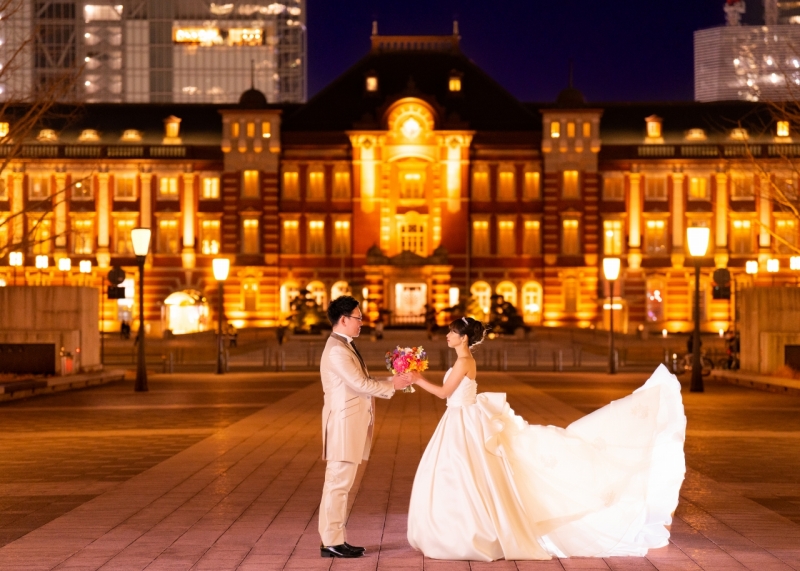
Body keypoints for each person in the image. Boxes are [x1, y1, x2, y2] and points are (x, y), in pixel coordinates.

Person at [403, 316, 686, 561]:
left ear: (463, 338)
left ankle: (467, 533)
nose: (447, 335)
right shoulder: (462, 360)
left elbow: (444, 393)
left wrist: (417, 379)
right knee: (462, 475)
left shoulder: (465, 361)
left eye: (452, 332)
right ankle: (461, 530)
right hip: (458, 420)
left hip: (462, 421)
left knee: (464, 474)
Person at [318, 295, 413, 559]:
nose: (361, 322)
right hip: (343, 425)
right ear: (344, 319)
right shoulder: (337, 350)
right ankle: (331, 542)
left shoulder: (344, 346)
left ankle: (335, 539)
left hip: (349, 424)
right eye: (358, 318)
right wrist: (392, 385)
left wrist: (391, 380)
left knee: (340, 484)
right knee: (338, 484)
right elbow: (360, 384)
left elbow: (361, 379)